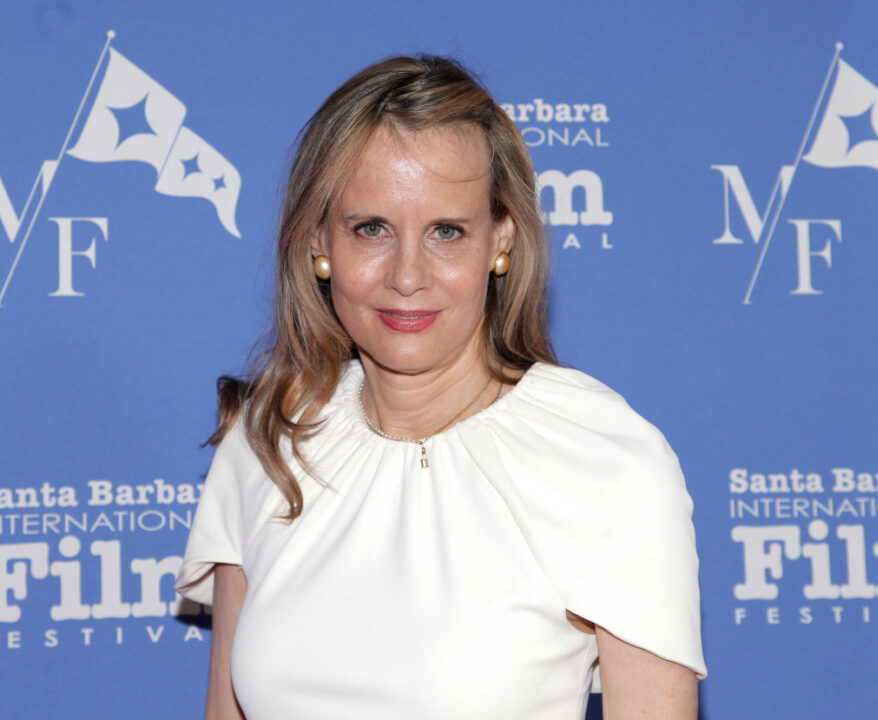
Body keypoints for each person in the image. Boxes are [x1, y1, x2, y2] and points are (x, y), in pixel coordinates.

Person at [175, 54, 706, 720]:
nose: (406, 274)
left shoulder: (604, 458)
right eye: (370, 228)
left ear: (500, 241)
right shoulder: (270, 438)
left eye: (446, 232)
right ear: (318, 242)